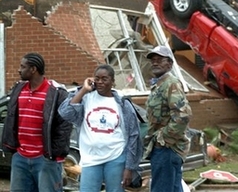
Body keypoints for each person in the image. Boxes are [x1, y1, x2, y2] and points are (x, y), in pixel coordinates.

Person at [58, 64, 143, 192]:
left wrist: (129, 167)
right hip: (91, 159)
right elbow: (65, 112)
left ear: (113, 82)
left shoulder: (122, 104)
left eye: (104, 79)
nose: (100, 82)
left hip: (116, 157)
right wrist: (83, 90)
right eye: (97, 78)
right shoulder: (86, 98)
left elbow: (133, 135)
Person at [2, 52, 72, 192]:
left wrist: (53, 154)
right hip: (20, 158)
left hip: (45, 160)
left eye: (23, 67)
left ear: (33, 69)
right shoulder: (18, 90)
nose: (19, 70)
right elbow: (11, 119)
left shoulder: (55, 93)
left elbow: (64, 125)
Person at [143, 45, 192, 192]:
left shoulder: (171, 84)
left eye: (159, 60)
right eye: (153, 60)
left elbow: (183, 115)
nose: (155, 63)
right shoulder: (159, 85)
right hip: (164, 149)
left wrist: (163, 140)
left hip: (167, 149)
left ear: (169, 64)